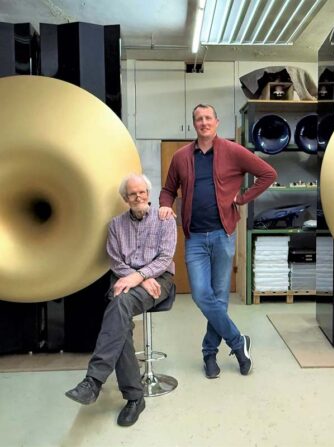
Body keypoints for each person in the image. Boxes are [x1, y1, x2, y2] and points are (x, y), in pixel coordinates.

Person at [159, 104, 277, 379]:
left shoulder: (233, 151)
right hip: (195, 238)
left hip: (223, 235)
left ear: (216, 121)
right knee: (202, 294)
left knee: (220, 297)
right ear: (194, 124)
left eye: (208, 118)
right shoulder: (181, 157)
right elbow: (168, 189)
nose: (204, 122)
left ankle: (209, 354)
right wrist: (165, 205)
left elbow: (268, 174)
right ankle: (238, 342)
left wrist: (242, 198)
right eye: (199, 119)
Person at [65, 173, 177, 427]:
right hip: (126, 279)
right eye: (132, 194)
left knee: (119, 304)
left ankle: (94, 381)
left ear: (148, 193)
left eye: (142, 192)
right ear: (125, 198)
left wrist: (141, 276)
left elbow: (164, 258)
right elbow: (116, 261)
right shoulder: (115, 225)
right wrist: (136, 278)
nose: (138, 197)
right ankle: (134, 398)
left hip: (158, 279)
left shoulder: (165, 219)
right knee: (121, 319)